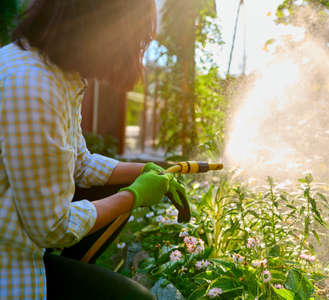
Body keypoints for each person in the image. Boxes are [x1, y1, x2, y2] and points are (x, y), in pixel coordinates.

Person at [0, 0, 188, 299]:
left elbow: (80, 162)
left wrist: (147, 171)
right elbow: (52, 227)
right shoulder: (32, 87)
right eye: (136, 42)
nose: (135, 55)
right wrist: (134, 196)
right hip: (9, 265)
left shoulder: (56, 76)